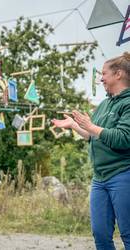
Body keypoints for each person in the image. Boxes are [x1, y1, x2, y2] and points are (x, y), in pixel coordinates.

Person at [52, 52, 130, 250]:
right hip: (100, 178)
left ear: (118, 74)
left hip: (123, 175)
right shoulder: (104, 104)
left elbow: (123, 139)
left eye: (104, 73)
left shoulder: (128, 103)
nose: (101, 78)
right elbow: (94, 135)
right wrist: (76, 126)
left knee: (128, 233)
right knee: (100, 234)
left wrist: (90, 125)